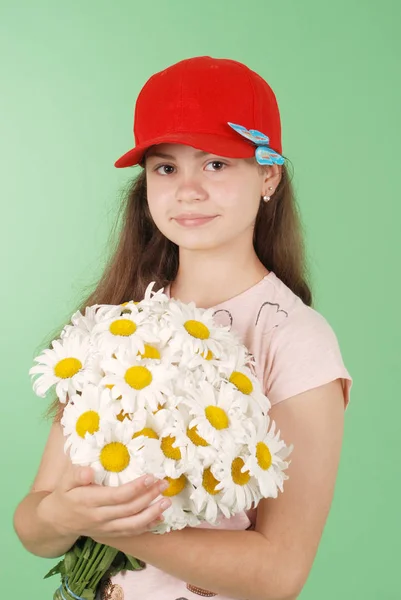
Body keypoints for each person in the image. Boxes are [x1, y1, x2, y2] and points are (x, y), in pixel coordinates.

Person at [14, 56, 353, 600]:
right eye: (165, 167)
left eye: (216, 164)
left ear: (268, 174)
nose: (187, 190)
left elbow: (280, 572)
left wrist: (117, 527)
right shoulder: (116, 325)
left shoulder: (295, 338)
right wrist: (61, 513)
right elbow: (34, 525)